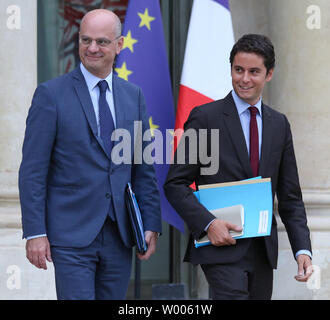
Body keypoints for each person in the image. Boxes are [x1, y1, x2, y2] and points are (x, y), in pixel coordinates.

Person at [19, 9, 162, 300]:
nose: (92, 48)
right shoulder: (51, 95)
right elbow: (33, 170)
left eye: (101, 41)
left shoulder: (133, 95)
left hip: (119, 234)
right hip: (70, 233)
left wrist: (150, 223)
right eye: (85, 40)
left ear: (119, 45)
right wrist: (35, 232)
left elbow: (142, 167)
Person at [164, 34, 312, 300]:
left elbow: (290, 196)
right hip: (220, 246)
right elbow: (175, 184)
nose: (244, 79)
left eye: (253, 72)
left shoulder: (279, 125)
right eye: (238, 70)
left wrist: (303, 249)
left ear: (269, 74)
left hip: (262, 250)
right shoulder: (205, 117)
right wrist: (208, 223)